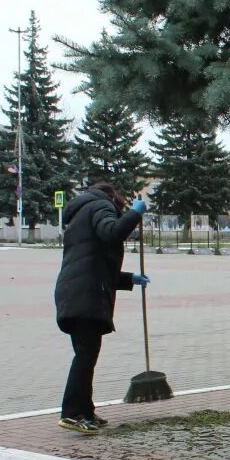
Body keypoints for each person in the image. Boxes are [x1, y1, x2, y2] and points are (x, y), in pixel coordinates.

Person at [53, 183, 148, 434]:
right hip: (85, 297)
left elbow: (92, 263)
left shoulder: (83, 212)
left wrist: (128, 279)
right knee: (85, 356)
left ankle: (85, 411)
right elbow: (112, 232)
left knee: (86, 355)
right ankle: (73, 414)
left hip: (76, 293)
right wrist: (135, 213)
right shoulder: (100, 206)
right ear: (114, 197)